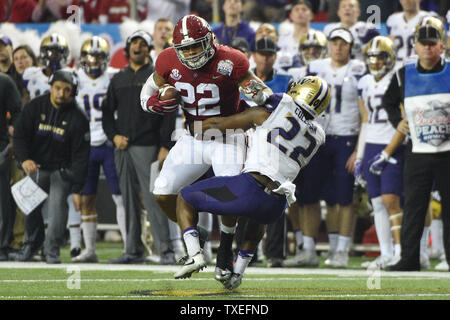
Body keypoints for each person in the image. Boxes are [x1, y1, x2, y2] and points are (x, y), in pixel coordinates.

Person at [140, 14, 273, 283]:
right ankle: (196, 233)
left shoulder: (231, 60)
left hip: (229, 136)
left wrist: (257, 93)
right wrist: (155, 103)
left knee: (228, 199)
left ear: (210, 40)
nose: (190, 53)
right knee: (162, 192)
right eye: (184, 48)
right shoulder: (167, 60)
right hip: (193, 136)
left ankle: (225, 251)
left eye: (195, 46)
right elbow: (145, 95)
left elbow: (261, 93)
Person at [173, 76, 330, 289]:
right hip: (276, 205)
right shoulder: (318, 135)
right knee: (259, 217)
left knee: (185, 197)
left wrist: (194, 127)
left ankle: (194, 255)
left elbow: (221, 125)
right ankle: (237, 274)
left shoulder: (275, 106)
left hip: (249, 188)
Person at [103, 30, 176, 264]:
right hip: (122, 146)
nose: (138, 46)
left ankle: (165, 250)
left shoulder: (156, 77)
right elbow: (106, 113)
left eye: (142, 43)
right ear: (127, 48)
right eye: (134, 42)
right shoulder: (118, 78)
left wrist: (165, 145)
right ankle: (133, 250)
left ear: (148, 49)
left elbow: (168, 113)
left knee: (153, 198)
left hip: (148, 146)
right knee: (128, 200)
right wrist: (113, 136)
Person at [383, 17, 450, 271]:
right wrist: (397, 123)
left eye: (433, 44)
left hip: (447, 152)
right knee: (414, 205)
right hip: (418, 151)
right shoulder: (403, 75)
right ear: (415, 46)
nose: (429, 48)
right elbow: (388, 102)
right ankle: (409, 259)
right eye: (424, 43)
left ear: (441, 46)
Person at [301, 28, 366, 268]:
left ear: (350, 46)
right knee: (310, 196)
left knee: (344, 198)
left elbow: (364, 112)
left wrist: (359, 148)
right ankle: (308, 250)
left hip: (346, 138)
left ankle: (341, 250)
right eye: (335, 42)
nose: (339, 47)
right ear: (329, 45)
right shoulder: (316, 68)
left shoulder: (360, 70)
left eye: (343, 43)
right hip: (317, 139)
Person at [10, 69, 90, 264]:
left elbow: (81, 156)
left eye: (66, 90)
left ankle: (52, 251)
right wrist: (24, 159)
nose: (61, 93)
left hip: (62, 172)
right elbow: (19, 136)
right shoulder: (34, 107)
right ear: (51, 87)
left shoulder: (78, 118)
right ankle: (32, 243)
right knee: (28, 206)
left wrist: (77, 187)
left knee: (56, 211)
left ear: (72, 92)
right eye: (57, 88)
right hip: (36, 167)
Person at [71, 36, 126, 263]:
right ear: (82, 59)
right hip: (85, 145)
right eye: (89, 57)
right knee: (86, 199)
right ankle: (90, 249)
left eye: (98, 56)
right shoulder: (74, 79)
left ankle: (130, 246)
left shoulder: (114, 76)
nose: (93, 61)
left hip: (108, 142)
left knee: (120, 197)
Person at [354, 36, 404, 269]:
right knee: (377, 203)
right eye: (371, 57)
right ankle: (385, 254)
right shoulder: (363, 82)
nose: (375, 62)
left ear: (390, 58)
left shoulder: (398, 79)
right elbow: (365, 119)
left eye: (380, 57)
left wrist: (389, 149)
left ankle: (402, 251)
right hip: (372, 143)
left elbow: (404, 120)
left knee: (391, 199)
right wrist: (361, 155)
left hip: (391, 143)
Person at [0, 73, 22, 261]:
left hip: (0, 147)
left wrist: (12, 142)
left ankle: (2, 244)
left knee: (2, 199)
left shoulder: (4, 82)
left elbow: (17, 112)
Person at [386, 0, 439, 67]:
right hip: (395, 67)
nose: (407, 1)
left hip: (419, 67)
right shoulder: (392, 19)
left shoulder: (429, 18)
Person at [277, 0, 316, 72]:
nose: (300, 12)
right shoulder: (282, 39)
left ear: (311, 15)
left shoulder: (317, 38)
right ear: (291, 16)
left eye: (304, 9)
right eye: (296, 9)